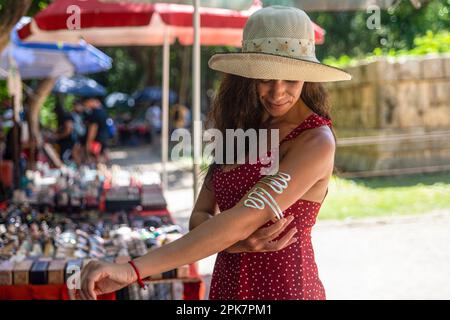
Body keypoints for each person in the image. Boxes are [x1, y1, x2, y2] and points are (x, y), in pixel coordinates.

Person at [78, 6, 351, 300]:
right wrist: (233, 243)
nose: (277, 92)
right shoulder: (243, 127)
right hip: (228, 285)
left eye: (290, 80)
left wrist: (133, 270)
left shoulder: (315, 140)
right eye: (266, 79)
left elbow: (244, 218)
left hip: (285, 289)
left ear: (307, 77)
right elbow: (201, 214)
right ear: (250, 76)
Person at [83, 96, 109, 164]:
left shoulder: (94, 113)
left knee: (97, 159)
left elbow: (93, 128)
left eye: (86, 103)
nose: (86, 105)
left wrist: (89, 141)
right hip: (104, 137)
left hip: (97, 140)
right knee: (103, 157)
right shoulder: (103, 111)